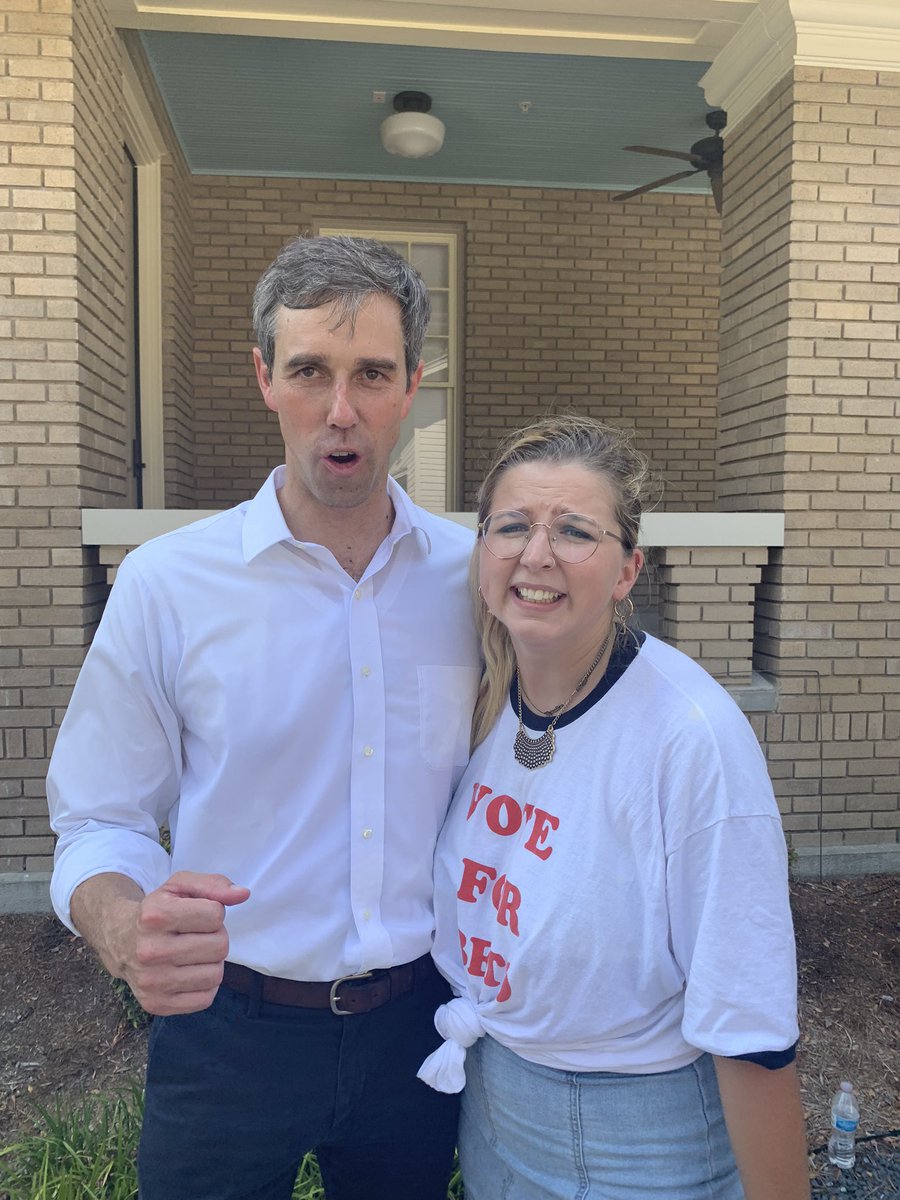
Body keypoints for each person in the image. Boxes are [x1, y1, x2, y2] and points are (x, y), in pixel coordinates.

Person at [47, 235, 481, 1200]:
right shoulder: (169, 584)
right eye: (310, 371)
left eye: (372, 374)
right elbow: (99, 817)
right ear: (264, 379)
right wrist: (120, 923)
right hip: (228, 1035)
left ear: (413, 386)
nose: (341, 409)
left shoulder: (472, 581)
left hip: (416, 1030)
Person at [418, 415, 810, 1200]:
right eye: (512, 526)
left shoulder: (689, 737)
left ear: (628, 571)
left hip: (637, 1140)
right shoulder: (484, 696)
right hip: (493, 1105)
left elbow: (749, 1024)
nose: (537, 554)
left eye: (574, 532)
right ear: (482, 550)